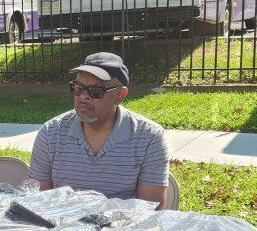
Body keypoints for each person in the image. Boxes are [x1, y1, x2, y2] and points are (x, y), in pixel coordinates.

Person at [28, 52, 170, 207]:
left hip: (122, 229)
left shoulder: (149, 137)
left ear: (120, 95)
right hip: (60, 227)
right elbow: (38, 203)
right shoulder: (50, 133)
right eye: (78, 88)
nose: (83, 96)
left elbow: (149, 210)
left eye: (96, 91)